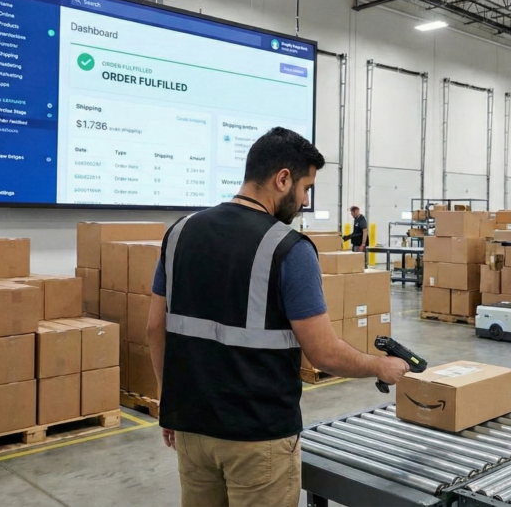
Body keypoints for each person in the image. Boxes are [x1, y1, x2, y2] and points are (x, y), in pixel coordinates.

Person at [146, 127, 409, 507]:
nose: (304, 201)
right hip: (258, 438)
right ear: (282, 178)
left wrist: (167, 403)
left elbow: (155, 328)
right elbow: (323, 353)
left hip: (192, 428)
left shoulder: (180, 232)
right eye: (305, 188)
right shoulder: (289, 248)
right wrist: (380, 367)